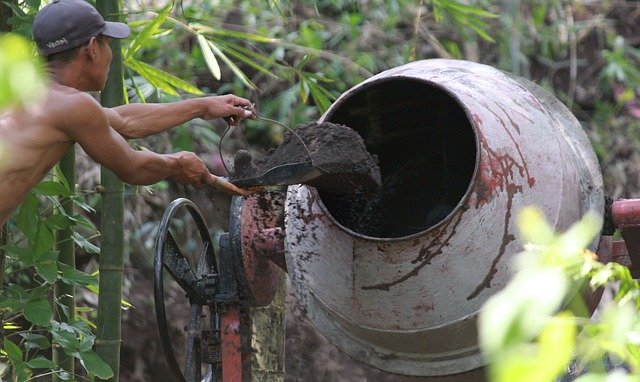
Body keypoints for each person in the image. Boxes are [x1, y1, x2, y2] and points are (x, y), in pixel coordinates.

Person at [0, 0, 254, 226]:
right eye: (108, 44)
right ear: (92, 48)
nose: (110, 53)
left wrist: (204, 106)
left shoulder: (27, 91)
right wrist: (178, 162)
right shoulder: (72, 106)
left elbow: (125, 120)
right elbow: (133, 168)